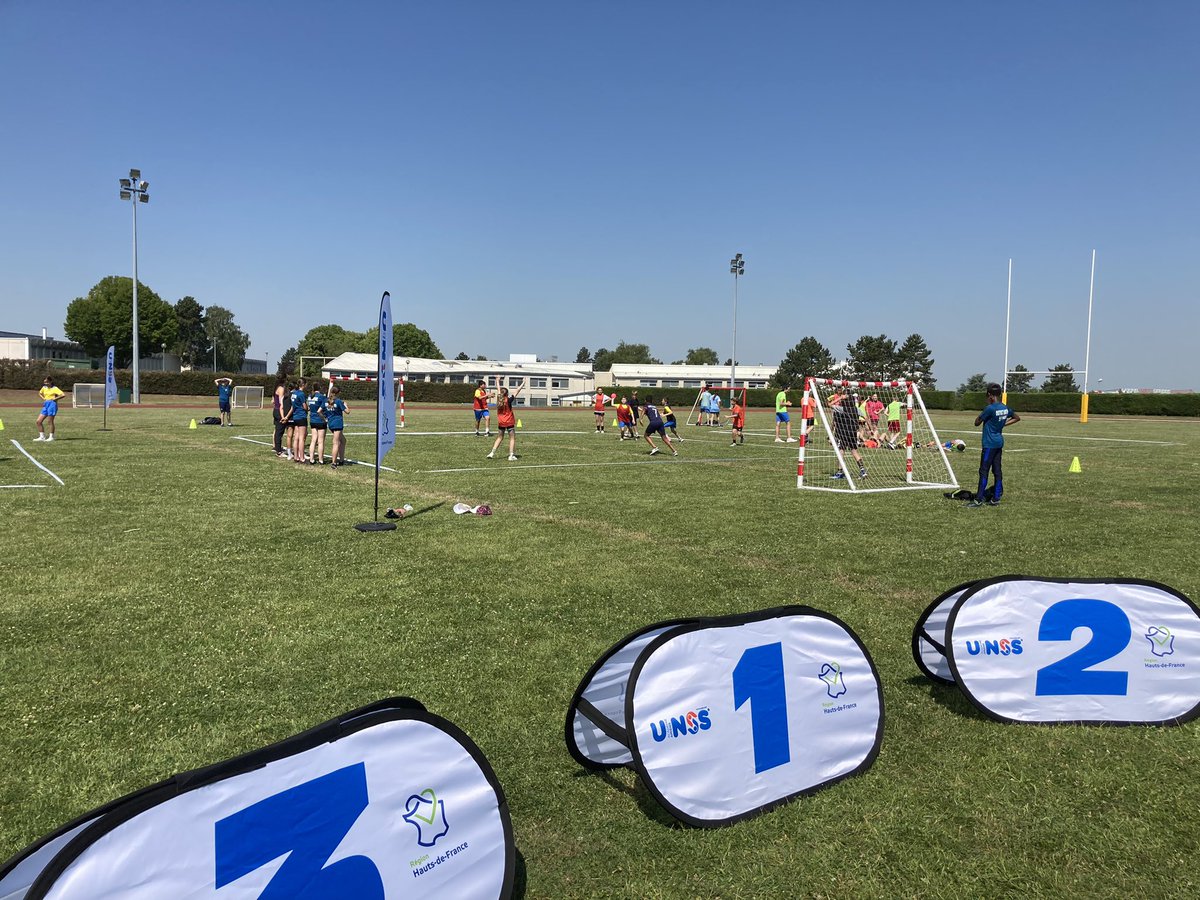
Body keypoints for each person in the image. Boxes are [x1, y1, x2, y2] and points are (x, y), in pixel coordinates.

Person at [969, 383, 1021, 507]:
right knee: (997, 471)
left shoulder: (990, 408)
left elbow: (976, 422)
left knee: (984, 471)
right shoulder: (1004, 407)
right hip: (999, 442)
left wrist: (982, 416)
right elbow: (1016, 417)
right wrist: (1004, 424)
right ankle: (996, 498)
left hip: (989, 444)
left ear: (990, 395)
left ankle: (979, 499)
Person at [830, 391, 868, 480]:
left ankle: (840, 472)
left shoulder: (841, 409)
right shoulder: (857, 409)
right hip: (852, 433)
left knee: (841, 451)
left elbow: (830, 404)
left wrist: (840, 397)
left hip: (843, 433)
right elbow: (866, 418)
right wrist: (871, 429)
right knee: (854, 451)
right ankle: (863, 471)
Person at [487, 382, 524, 461]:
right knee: (512, 438)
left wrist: (497, 381)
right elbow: (517, 390)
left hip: (501, 422)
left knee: (499, 437)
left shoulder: (499, 400)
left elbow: (498, 390)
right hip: (509, 422)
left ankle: (492, 453)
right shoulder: (508, 400)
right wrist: (523, 383)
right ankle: (511, 455)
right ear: (507, 394)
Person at [326, 382, 350, 468]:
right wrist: (346, 405)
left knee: (343, 441)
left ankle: (341, 460)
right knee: (336, 443)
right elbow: (347, 412)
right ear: (338, 393)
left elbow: (322, 411)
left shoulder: (328, 401)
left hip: (331, 423)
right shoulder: (339, 401)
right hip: (337, 423)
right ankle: (333, 462)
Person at [35, 376, 65, 441]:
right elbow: (40, 393)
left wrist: (55, 399)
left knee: (50, 421)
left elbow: (63, 395)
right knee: (38, 421)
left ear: (50, 382)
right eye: (44, 382)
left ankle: (51, 437)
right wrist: (44, 399)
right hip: (46, 404)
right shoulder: (44, 388)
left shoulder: (55, 388)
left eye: (47, 382)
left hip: (52, 405)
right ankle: (42, 437)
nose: (45, 384)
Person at [306, 382, 328, 464]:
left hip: (312, 420)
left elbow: (309, 407)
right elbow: (324, 408)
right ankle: (320, 459)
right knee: (321, 441)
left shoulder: (310, 397)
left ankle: (311, 459)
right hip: (320, 420)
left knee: (313, 440)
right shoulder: (322, 397)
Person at [289, 379, 309, 463]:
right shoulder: (301, 394)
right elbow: (304, 406)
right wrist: (308, 408)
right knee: (301, 438)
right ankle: (302, 458)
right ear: (303, 384)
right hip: (301, 416)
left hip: (295, 417)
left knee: (296, 438)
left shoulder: (294, 394)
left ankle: (296, 456)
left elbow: (293, 406)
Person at [272, 378, 290, 458]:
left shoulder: (277, 388)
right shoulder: (281, 389)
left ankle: (277, 447)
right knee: (279, 431)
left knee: (277, 430)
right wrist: (283, 416)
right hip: (279, 411)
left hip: (275, 410)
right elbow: (281, 402)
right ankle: (278, 451)